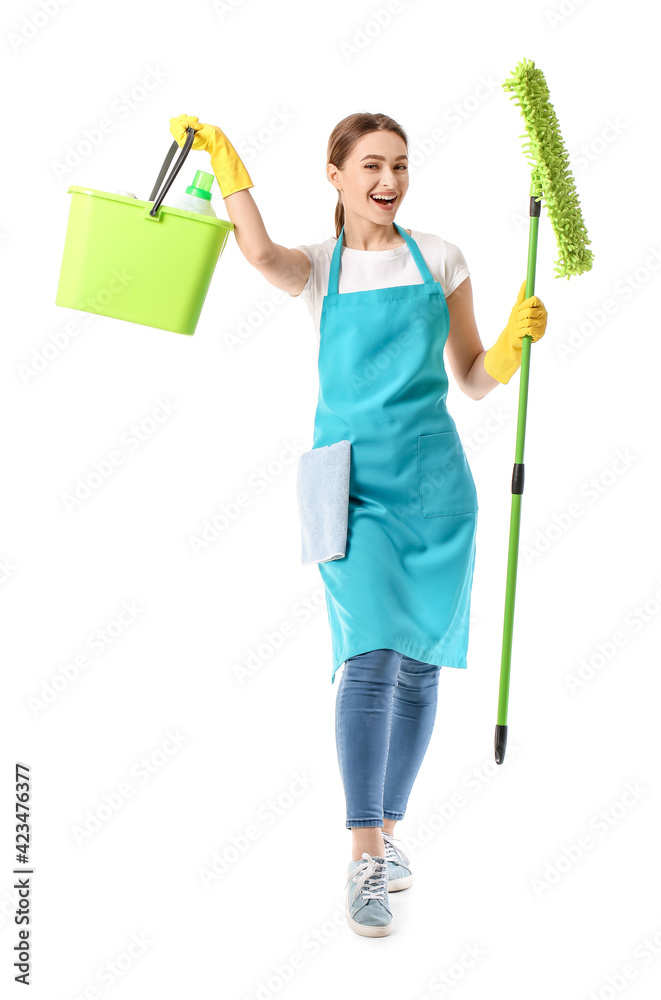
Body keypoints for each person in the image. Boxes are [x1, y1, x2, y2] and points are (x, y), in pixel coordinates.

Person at [169, 111, 547, 938]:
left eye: (401, 165)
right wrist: (229, 168)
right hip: (349, 490)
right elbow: (260, 254)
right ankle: (362, 854)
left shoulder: (440, 258)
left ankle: (389, 829)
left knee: (417, 671)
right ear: (334, 175)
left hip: (437, 491)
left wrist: (513, 345)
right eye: (371, 165)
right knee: (370, 657)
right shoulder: (316, 267)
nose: (389, 180)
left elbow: (474, 382)